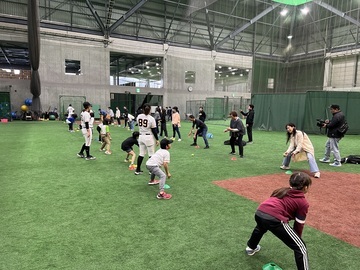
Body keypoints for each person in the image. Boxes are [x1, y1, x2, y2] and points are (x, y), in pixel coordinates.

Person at [245, 172, 312, 270]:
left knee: (261, 227)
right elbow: (299, 223)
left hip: (260, 212)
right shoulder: (303, 202)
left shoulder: (280, 190)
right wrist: (296, 239)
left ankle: (251, 247)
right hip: (274, 219)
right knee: (301, 247)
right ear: (305, 187)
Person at [134, 104, 160, 175]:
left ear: (143, 109)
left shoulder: (139, 116)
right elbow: (154, 130)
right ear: (150, 110)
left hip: (141, 136)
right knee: (151, 154)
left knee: (141, 154)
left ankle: (138, 169)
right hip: (148, 137)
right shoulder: (151, 118)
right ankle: (151, 170)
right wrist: (157, 139)